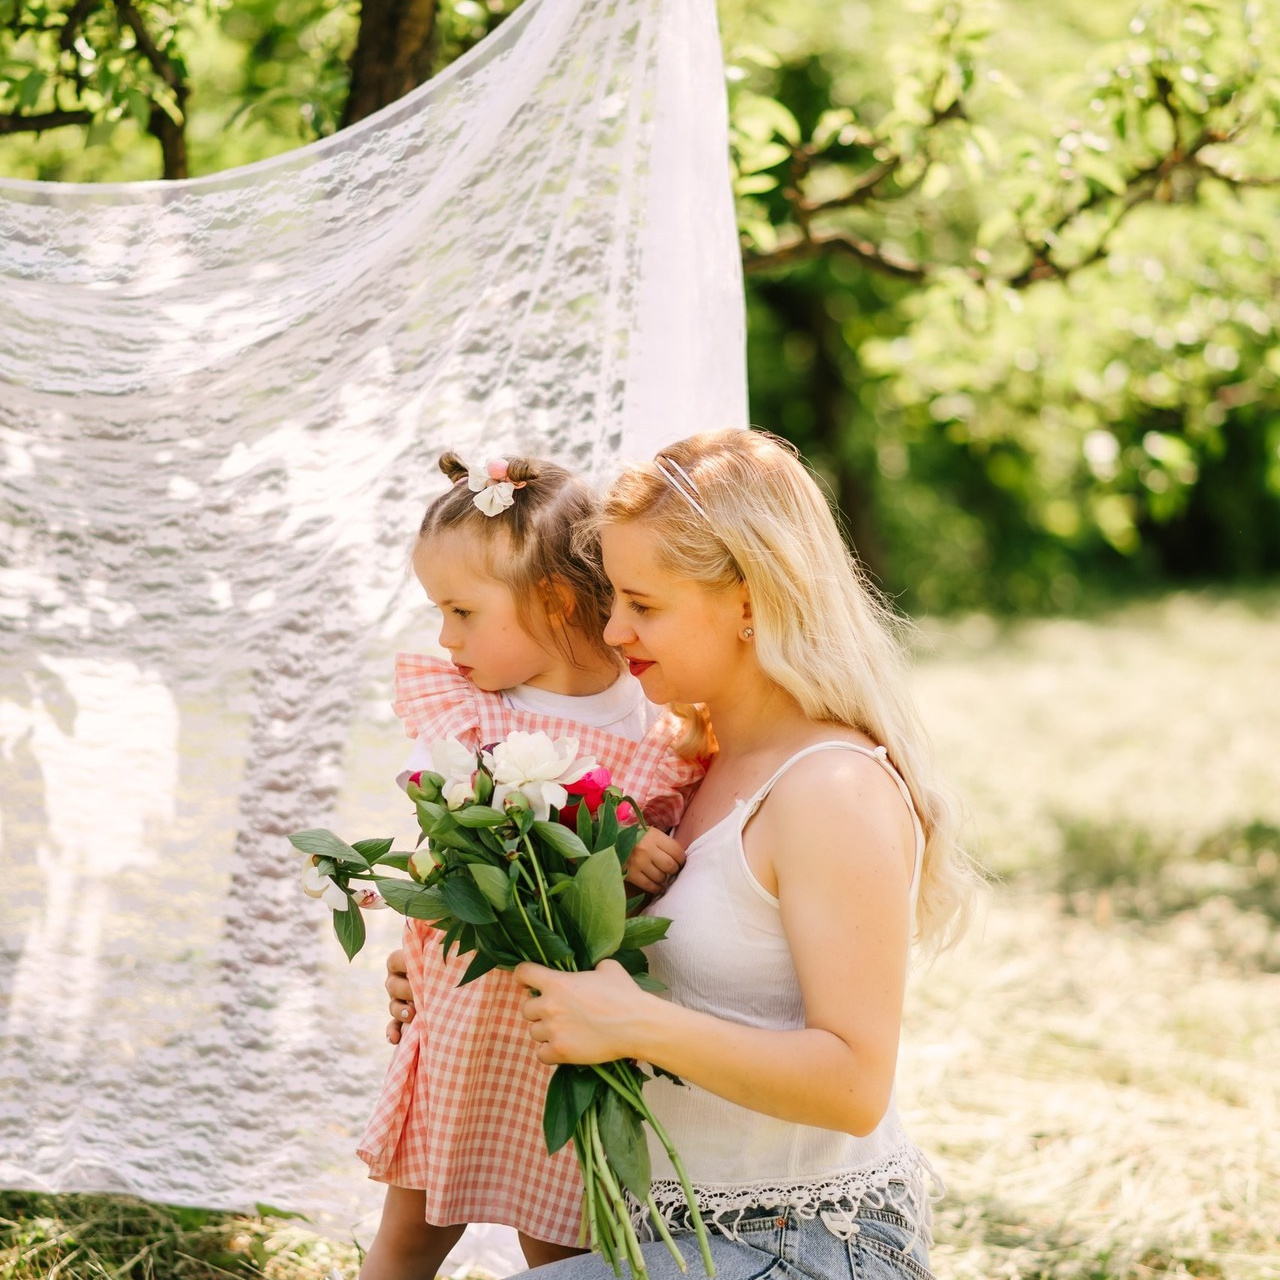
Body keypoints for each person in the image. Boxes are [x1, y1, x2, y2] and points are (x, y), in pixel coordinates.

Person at [386, 428, 977, 1280]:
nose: (612, 627)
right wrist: (462, 951)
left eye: (643, 604)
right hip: (655, 1231)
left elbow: (853, 1084)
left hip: (797, 1243)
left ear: (748, 600)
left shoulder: (831, 789)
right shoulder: (685, 768)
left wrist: (633, 1023)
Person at [359, 451, 704, 1280]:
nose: (447, 637)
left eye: (463, 611)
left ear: (551, 601)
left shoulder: (654, 715)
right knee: (410, 1234)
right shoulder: (468, 715)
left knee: (562, 1243)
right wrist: (608, 838)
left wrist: (626, 858)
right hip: (464, 1014)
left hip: (568, 1039)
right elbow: (457, 842)